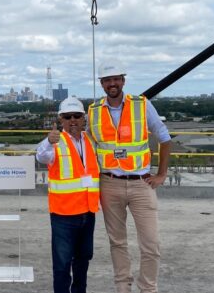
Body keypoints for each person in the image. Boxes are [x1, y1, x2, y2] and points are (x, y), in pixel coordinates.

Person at [87, 60, 172, 293]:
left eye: (116, 79)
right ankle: (122, 287)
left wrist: (161, 174)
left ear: (123, 81)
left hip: (140, 184)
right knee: (117, 242)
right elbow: (84, 143)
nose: (112, 84)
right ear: (101, 84)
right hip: (109, 183)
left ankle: (148, 288)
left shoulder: (141, 105)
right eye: (107, 80)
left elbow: (165, 138)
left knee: (151, 244)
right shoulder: (93, 111)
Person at [36, 97, 100, 293]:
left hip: (88, 213)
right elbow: (41, 155)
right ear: (61, 119)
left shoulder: (90, 140)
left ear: (83, 119)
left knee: (83, 260)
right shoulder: (56, 141)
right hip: (64, 215)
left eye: (77, 116)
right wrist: (48, 141)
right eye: (67, 116)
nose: (73, 120)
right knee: (62, 264)